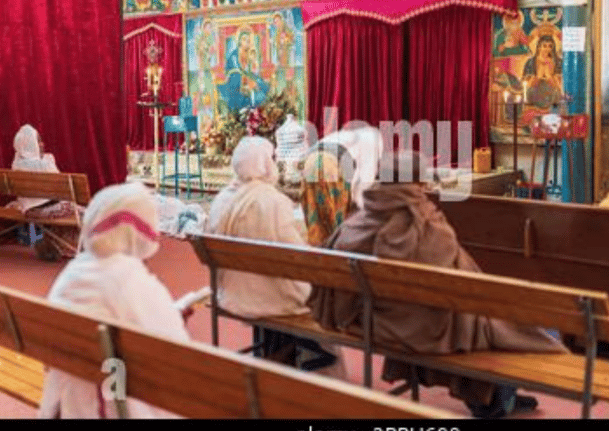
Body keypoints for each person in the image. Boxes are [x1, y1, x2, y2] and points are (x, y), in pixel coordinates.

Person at [309, 150, 568, 418]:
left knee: (471, 319)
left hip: (368, 321)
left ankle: (494, 395)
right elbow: (465, 282)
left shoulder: (355, 225)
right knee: (490, 323)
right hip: (418, 328)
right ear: (419, 181)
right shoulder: (426, 223)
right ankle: (494, 399)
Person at [38, 182, 189, 419]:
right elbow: (176, 357)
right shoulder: (133, 282)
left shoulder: (72, 272)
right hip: (107, 407)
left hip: (64, 403)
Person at [207, 136, 342, 374]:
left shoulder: (221, 200)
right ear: (265, 165)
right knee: (324, 293)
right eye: (271, 158)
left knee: (270, 279)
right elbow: (297, 259)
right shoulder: (273, 202)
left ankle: (276, 352)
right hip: (266, 299)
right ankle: (320, 368)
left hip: (229, 293)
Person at [300, 125, 384, 247]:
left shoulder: (347, 135)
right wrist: (362, 210)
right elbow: (365, 179)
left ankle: (316, 252)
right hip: (330, 163)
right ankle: (335, 253)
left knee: (316, 215)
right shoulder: (373, 139)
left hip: (310, 161)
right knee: (337, 218)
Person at [7, 125, 80, 262]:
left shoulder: (16, 163)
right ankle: (70, 247)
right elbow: (62, 192)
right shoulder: (45, 164)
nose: (42, 144)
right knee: (86, 212)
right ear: (31, 144)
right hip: (45, 211)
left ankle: (55, 245)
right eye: (38, 141)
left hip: (28, 211)